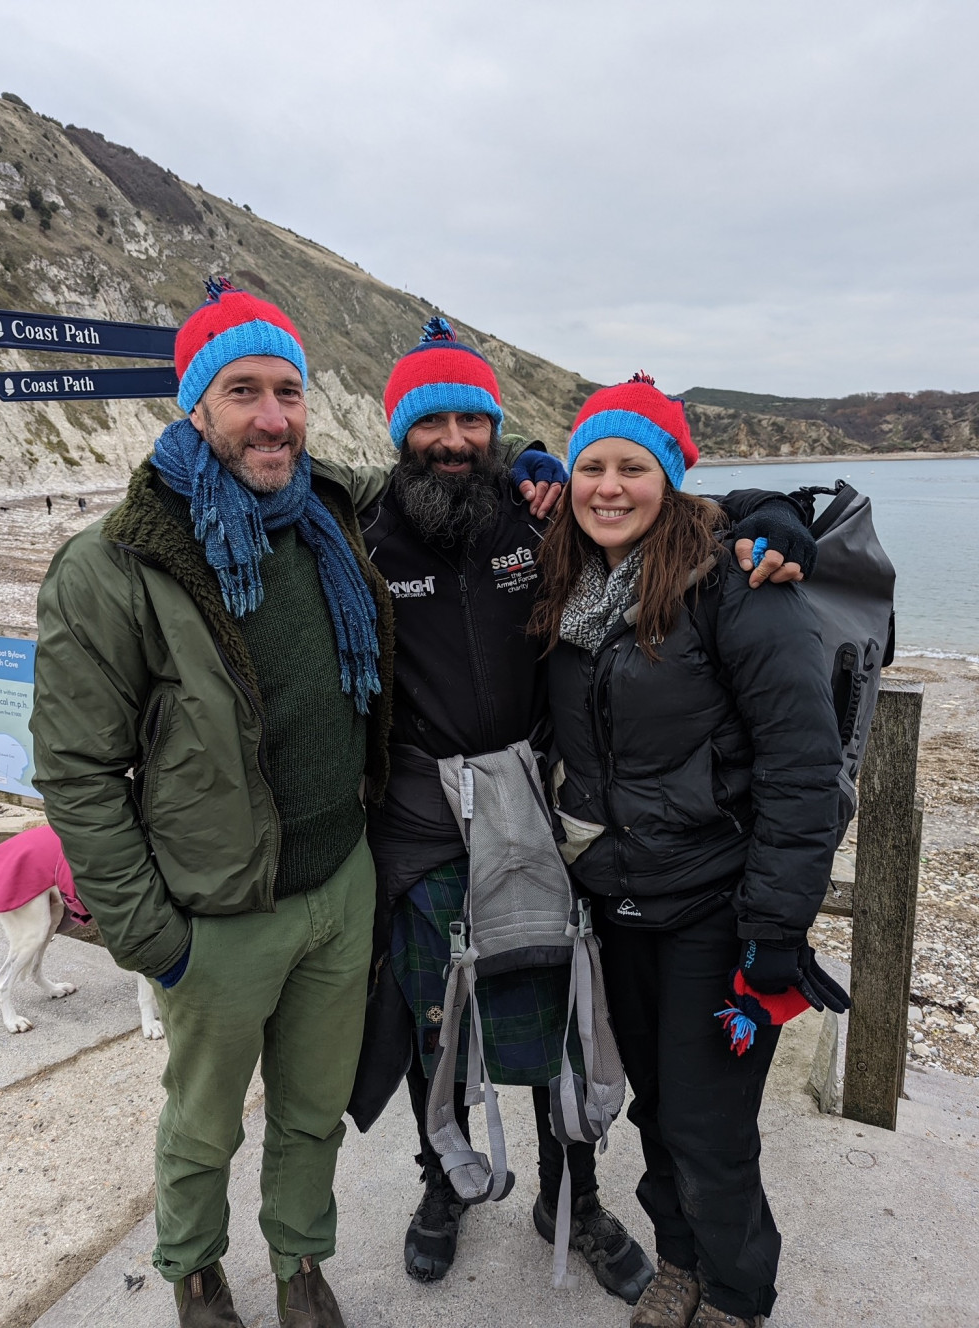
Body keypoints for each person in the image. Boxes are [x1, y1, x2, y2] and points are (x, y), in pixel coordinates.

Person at [352, 328, 819, 1302]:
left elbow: (667, 516)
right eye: (428, 420)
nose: (450, 437)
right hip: (424, 824)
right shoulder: (362, 533)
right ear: (398, 433)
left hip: (543, 823)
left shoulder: (541, 527)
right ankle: (442, 1184)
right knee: (439, 1025)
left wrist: (770, 514)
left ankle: (579, 1197)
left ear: (496, 428)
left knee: (562, 1028)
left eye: (469, 417)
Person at [30, 279, 393, 1328]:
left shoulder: (323, 512)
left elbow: (429, 474)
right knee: (202, 1123)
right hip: (217, 912)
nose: (272, 415)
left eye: (289, 390)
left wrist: (542, 478)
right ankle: (193, 1264)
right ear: (196, 404)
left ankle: (299, 1262)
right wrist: (155, 937)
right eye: (243, 390)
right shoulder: (113, 563)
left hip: (339, 880)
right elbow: (79, 774)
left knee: (312, 1112)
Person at [530, 376, 847, 1328]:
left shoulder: (740, 590)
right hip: (615, 906)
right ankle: (679, 1260)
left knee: (711, 1126)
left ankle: (740, 1295)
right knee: (655, 1111)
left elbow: (804, 766)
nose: (609, 486)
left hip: (717, 908)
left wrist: (777, 926)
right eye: (592, 466)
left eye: (634, 466)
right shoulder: (569, 587)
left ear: (670, 479)